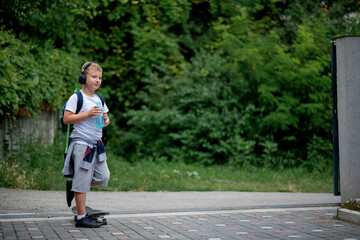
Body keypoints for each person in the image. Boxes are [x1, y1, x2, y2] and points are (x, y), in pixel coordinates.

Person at [62, 62, 110, 228]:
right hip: (82, 143)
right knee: (82, 181)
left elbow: (106, 120)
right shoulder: (77, 97)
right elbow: (66, 119)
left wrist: (105, 120)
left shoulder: (99, 99)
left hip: (97, 145)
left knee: (103, 177)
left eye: (99, 78)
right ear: (84, 78)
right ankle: (81, 218)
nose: (97, 80)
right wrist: (87, 113)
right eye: (94, 77)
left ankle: (74, 186)